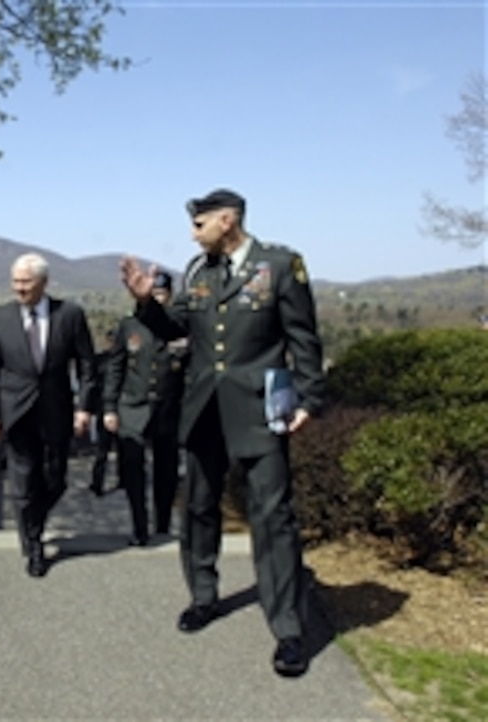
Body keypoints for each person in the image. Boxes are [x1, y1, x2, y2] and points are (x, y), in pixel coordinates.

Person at [119, 189, 325, 677]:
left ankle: (289, 630)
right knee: (198, 509)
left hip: (260, 410)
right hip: (205, 412)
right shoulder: (199, 272)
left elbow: (303, 337)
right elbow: (175, 329)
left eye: (199, 224)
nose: (193, 234)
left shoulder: (280, 265)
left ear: (227, 220)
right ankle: (204, 597)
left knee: (273, 518)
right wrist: (146, 301)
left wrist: (310, 398)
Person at [0, 252, 96, 578]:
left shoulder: (70, 315)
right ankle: (33, 546)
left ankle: (33, 521)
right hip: (16, 414)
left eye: (26, 282)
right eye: (15, 281)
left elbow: (87, 366)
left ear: (44, 282)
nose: (19, 288)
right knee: (23, 481)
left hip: (56, 412)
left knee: (55, 480)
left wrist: (84, 407)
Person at [102, 271, 188, 545]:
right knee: (132, 467)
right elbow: (115, 368)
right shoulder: (129, 326)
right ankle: (139, 527)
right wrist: (109, 408)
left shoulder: (180, 328)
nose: (157, 300)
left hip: (168, 409)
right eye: (153, 295)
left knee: (167, 472)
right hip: (133, 407)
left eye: (161, 295)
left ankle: (161, 524)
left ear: (169, 295)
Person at [87, 328, 117, 496]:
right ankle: (98, 482)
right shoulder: (102, 360)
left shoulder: (99, 360)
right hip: (105, 407)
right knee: (103, 450)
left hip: (105, 407)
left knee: (103, 449)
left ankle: (98, 482)